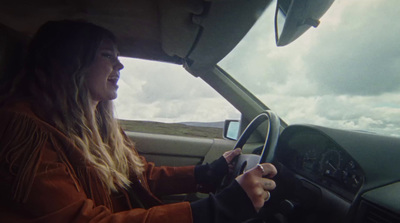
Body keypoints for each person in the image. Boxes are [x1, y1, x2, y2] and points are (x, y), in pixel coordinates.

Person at [0, 20, 277, 223]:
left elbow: (141, 176)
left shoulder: (98, 126)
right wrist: (216, 210)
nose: (119, 66)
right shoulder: (24, 131)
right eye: (108, 55)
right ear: (70, 61)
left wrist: (207, 173)